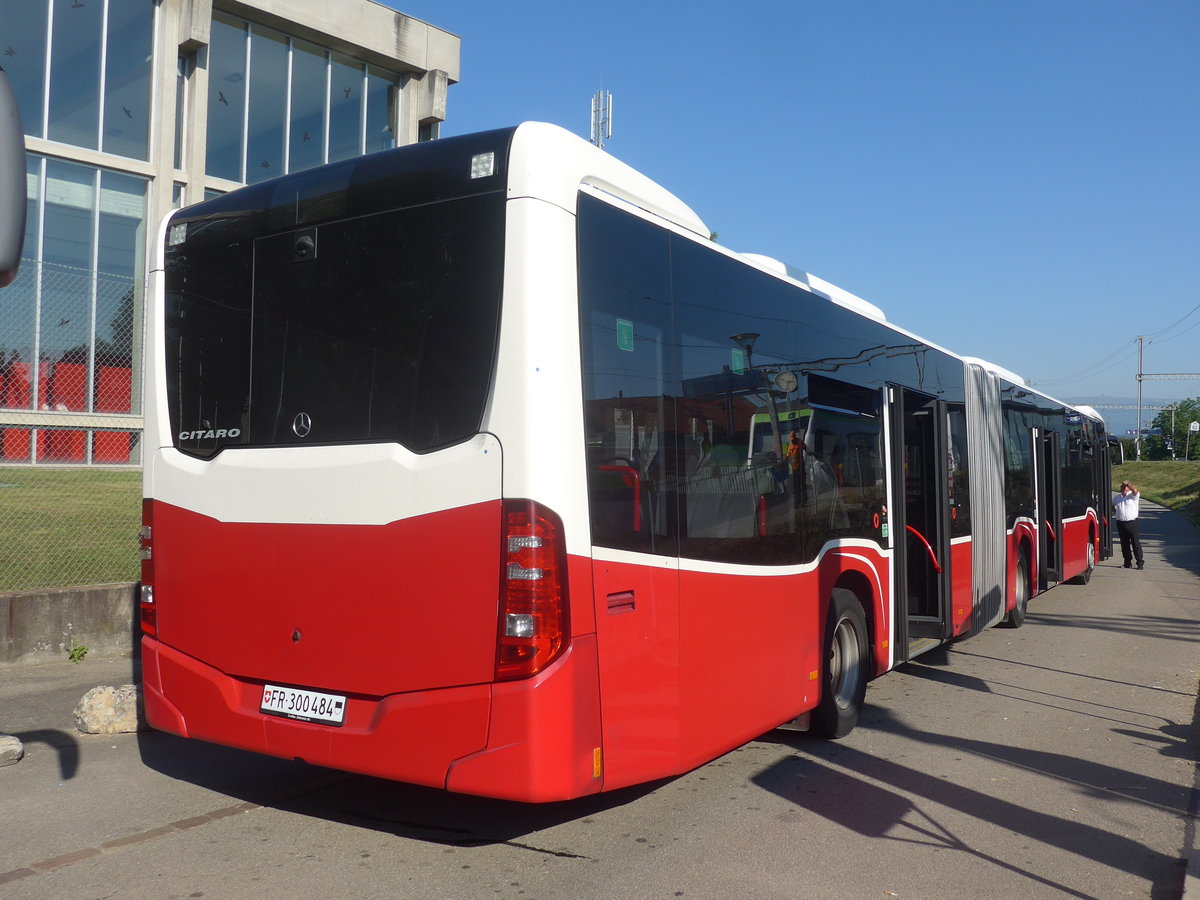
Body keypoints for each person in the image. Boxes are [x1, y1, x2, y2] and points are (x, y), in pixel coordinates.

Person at [1112, 480, 1144, 570]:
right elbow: (1112, 505)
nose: (1122, 488)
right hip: (1121, 523)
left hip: (1132, 523)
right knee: (1124, 544)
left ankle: (1140, 562)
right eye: (1121, 487)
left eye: (1124, 487)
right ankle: (1127, 562)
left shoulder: (1132, 496)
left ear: (1128, 488)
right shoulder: (1117, 498)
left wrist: (1129, 484)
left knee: (1135, 543)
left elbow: (1135, 491)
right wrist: (1114, 511)